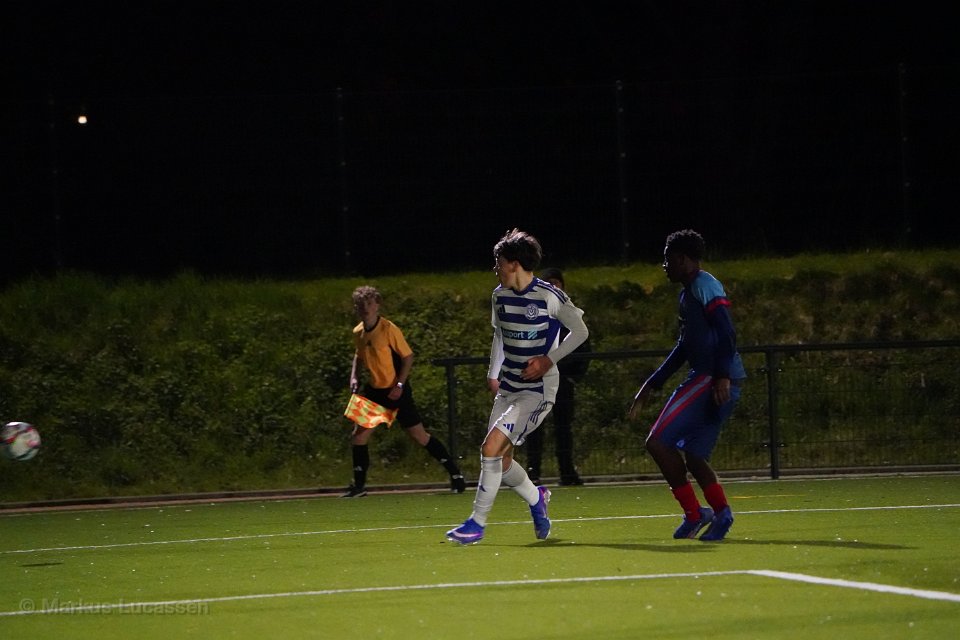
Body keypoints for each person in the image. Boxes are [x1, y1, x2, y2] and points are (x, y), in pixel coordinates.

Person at [446, 229, 589, 544]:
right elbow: (500, 335)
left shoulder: (549, 296)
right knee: (503, 459)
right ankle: (538, 499)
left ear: (513, 264)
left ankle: (476, 523)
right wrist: (493, 373)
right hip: (509, 385)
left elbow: (580, 331)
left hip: (537, 390)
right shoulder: (499, 296)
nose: (495, 268)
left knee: (490, 448)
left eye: (498, 262)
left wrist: (548, 360)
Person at [628, 229, 746, 541]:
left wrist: (721, 375)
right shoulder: (689, 293)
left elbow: (727, 332)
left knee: (657, 442)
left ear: (682, 259)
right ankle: (721, 514)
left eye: (667, 260)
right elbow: (684, 346)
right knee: (694, 456)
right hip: (719, 377)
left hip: (710, 377)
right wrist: (653, 383)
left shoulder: (704, 284)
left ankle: (695, 514)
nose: (664, 266)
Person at [342, 285, 466, 497]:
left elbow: (408, 357)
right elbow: (359, 355)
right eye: (361, 305)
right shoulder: (358, 332)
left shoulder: (389, 329)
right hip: (374, 392)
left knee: (419, 436)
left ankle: (456, 475)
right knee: (358, 437)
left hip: (395, 391)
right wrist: (354, 376)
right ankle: (359, 486)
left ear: (377, 305)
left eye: (369, 303)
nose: (365, 308)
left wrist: (399, 385)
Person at [524, 267, 589, 486]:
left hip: (563, 381)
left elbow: (583, 345)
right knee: (534, 426)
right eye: (549, 283)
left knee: (563, 428)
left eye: (557, 282)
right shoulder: (534, 312)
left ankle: (567, 471)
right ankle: (533, 471)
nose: (554, 286)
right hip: (539, 380)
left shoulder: (569, 312)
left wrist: (572, 376)